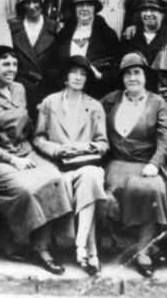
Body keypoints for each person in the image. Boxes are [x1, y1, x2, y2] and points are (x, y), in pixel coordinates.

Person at [0, 46, 72, 275]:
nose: (11, 69)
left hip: (26, 151)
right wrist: (12, 160)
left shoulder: (19, 89)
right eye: (5, 64)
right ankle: (16, 241)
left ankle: (41, 247)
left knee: (55, 179)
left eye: (14, 64)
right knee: (25, 189)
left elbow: (28, 126)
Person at [100, 52, 167, 278]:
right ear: (122, 79)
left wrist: (155, 162)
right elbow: (91, 122)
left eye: (137, 73)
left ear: (144, 76)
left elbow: (166, 136)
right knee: (112, 191)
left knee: (151, 188)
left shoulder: (157, 102)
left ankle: (143, 250)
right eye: (127, 74)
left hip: (147, 163)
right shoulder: (111, 100)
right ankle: (132, 244)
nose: (132, 78)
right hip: (118, 162)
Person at [33, 55, 109, 277]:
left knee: (92, 177)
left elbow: (103, 143)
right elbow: (38, 138)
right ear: (65, 77)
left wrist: (85, 147)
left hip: (84, 163)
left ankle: (81, 246)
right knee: (79, 182)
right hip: (56, 165)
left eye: (83, 73)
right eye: (74, 72)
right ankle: (89, 251)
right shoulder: (50, 102)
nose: (78, 77)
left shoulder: (95, 106)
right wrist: (57, 149)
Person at [49, 0, 120, 98]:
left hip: (95, 95)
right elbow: (51, 66)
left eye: (89, 5)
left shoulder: (107, 35)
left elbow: (117, 70)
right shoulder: (64, 34)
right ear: (74, 8)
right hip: (66, 94)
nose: (84, 9)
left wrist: (100, 76)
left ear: (95, 8)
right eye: (80, 5)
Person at [8, 0, 60, 118]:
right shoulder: (12, 28)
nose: (32, 6)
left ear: (42, 2)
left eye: (35, 1)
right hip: (19, 92)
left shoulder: (55, 28)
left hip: (47, 92)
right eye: (27, 2)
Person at [120, 0, 167, 90]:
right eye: (144, 10)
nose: (148, 14)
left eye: (153, 10)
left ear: (163, 13)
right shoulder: (130, 36)